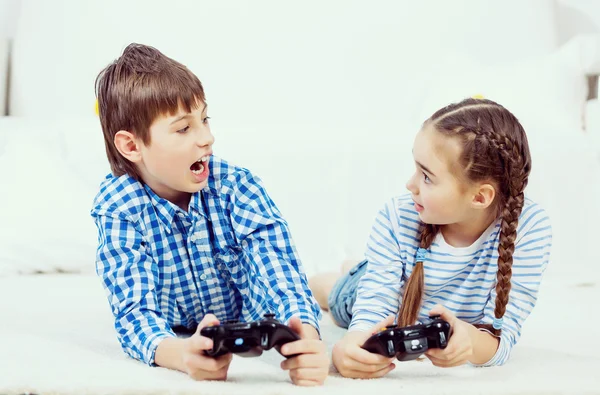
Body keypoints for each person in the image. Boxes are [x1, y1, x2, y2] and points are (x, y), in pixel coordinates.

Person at [91, 43, 328, 386]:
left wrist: (307, 338)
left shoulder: (236, 186)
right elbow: (135, 315)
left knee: (318, 290)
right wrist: (181, 355)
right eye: (184, 128)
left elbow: (280, 275)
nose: (208, 138)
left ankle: (328, 283)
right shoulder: (118, 207)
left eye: (204, 119)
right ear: (132, 146)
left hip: (246, 309)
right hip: (180, 322)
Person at [310, 98, 552, 378]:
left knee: (366, 271)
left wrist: (470, 342)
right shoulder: (398, 215)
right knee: (337, 293)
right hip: (389, 289)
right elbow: (374, 302)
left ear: (479, 197)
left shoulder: (529, 228)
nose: (409, 184)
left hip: (405, 270)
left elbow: (502, 335)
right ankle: (337, 276)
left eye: (426, 176)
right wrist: (352, 344)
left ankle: (355, 265)